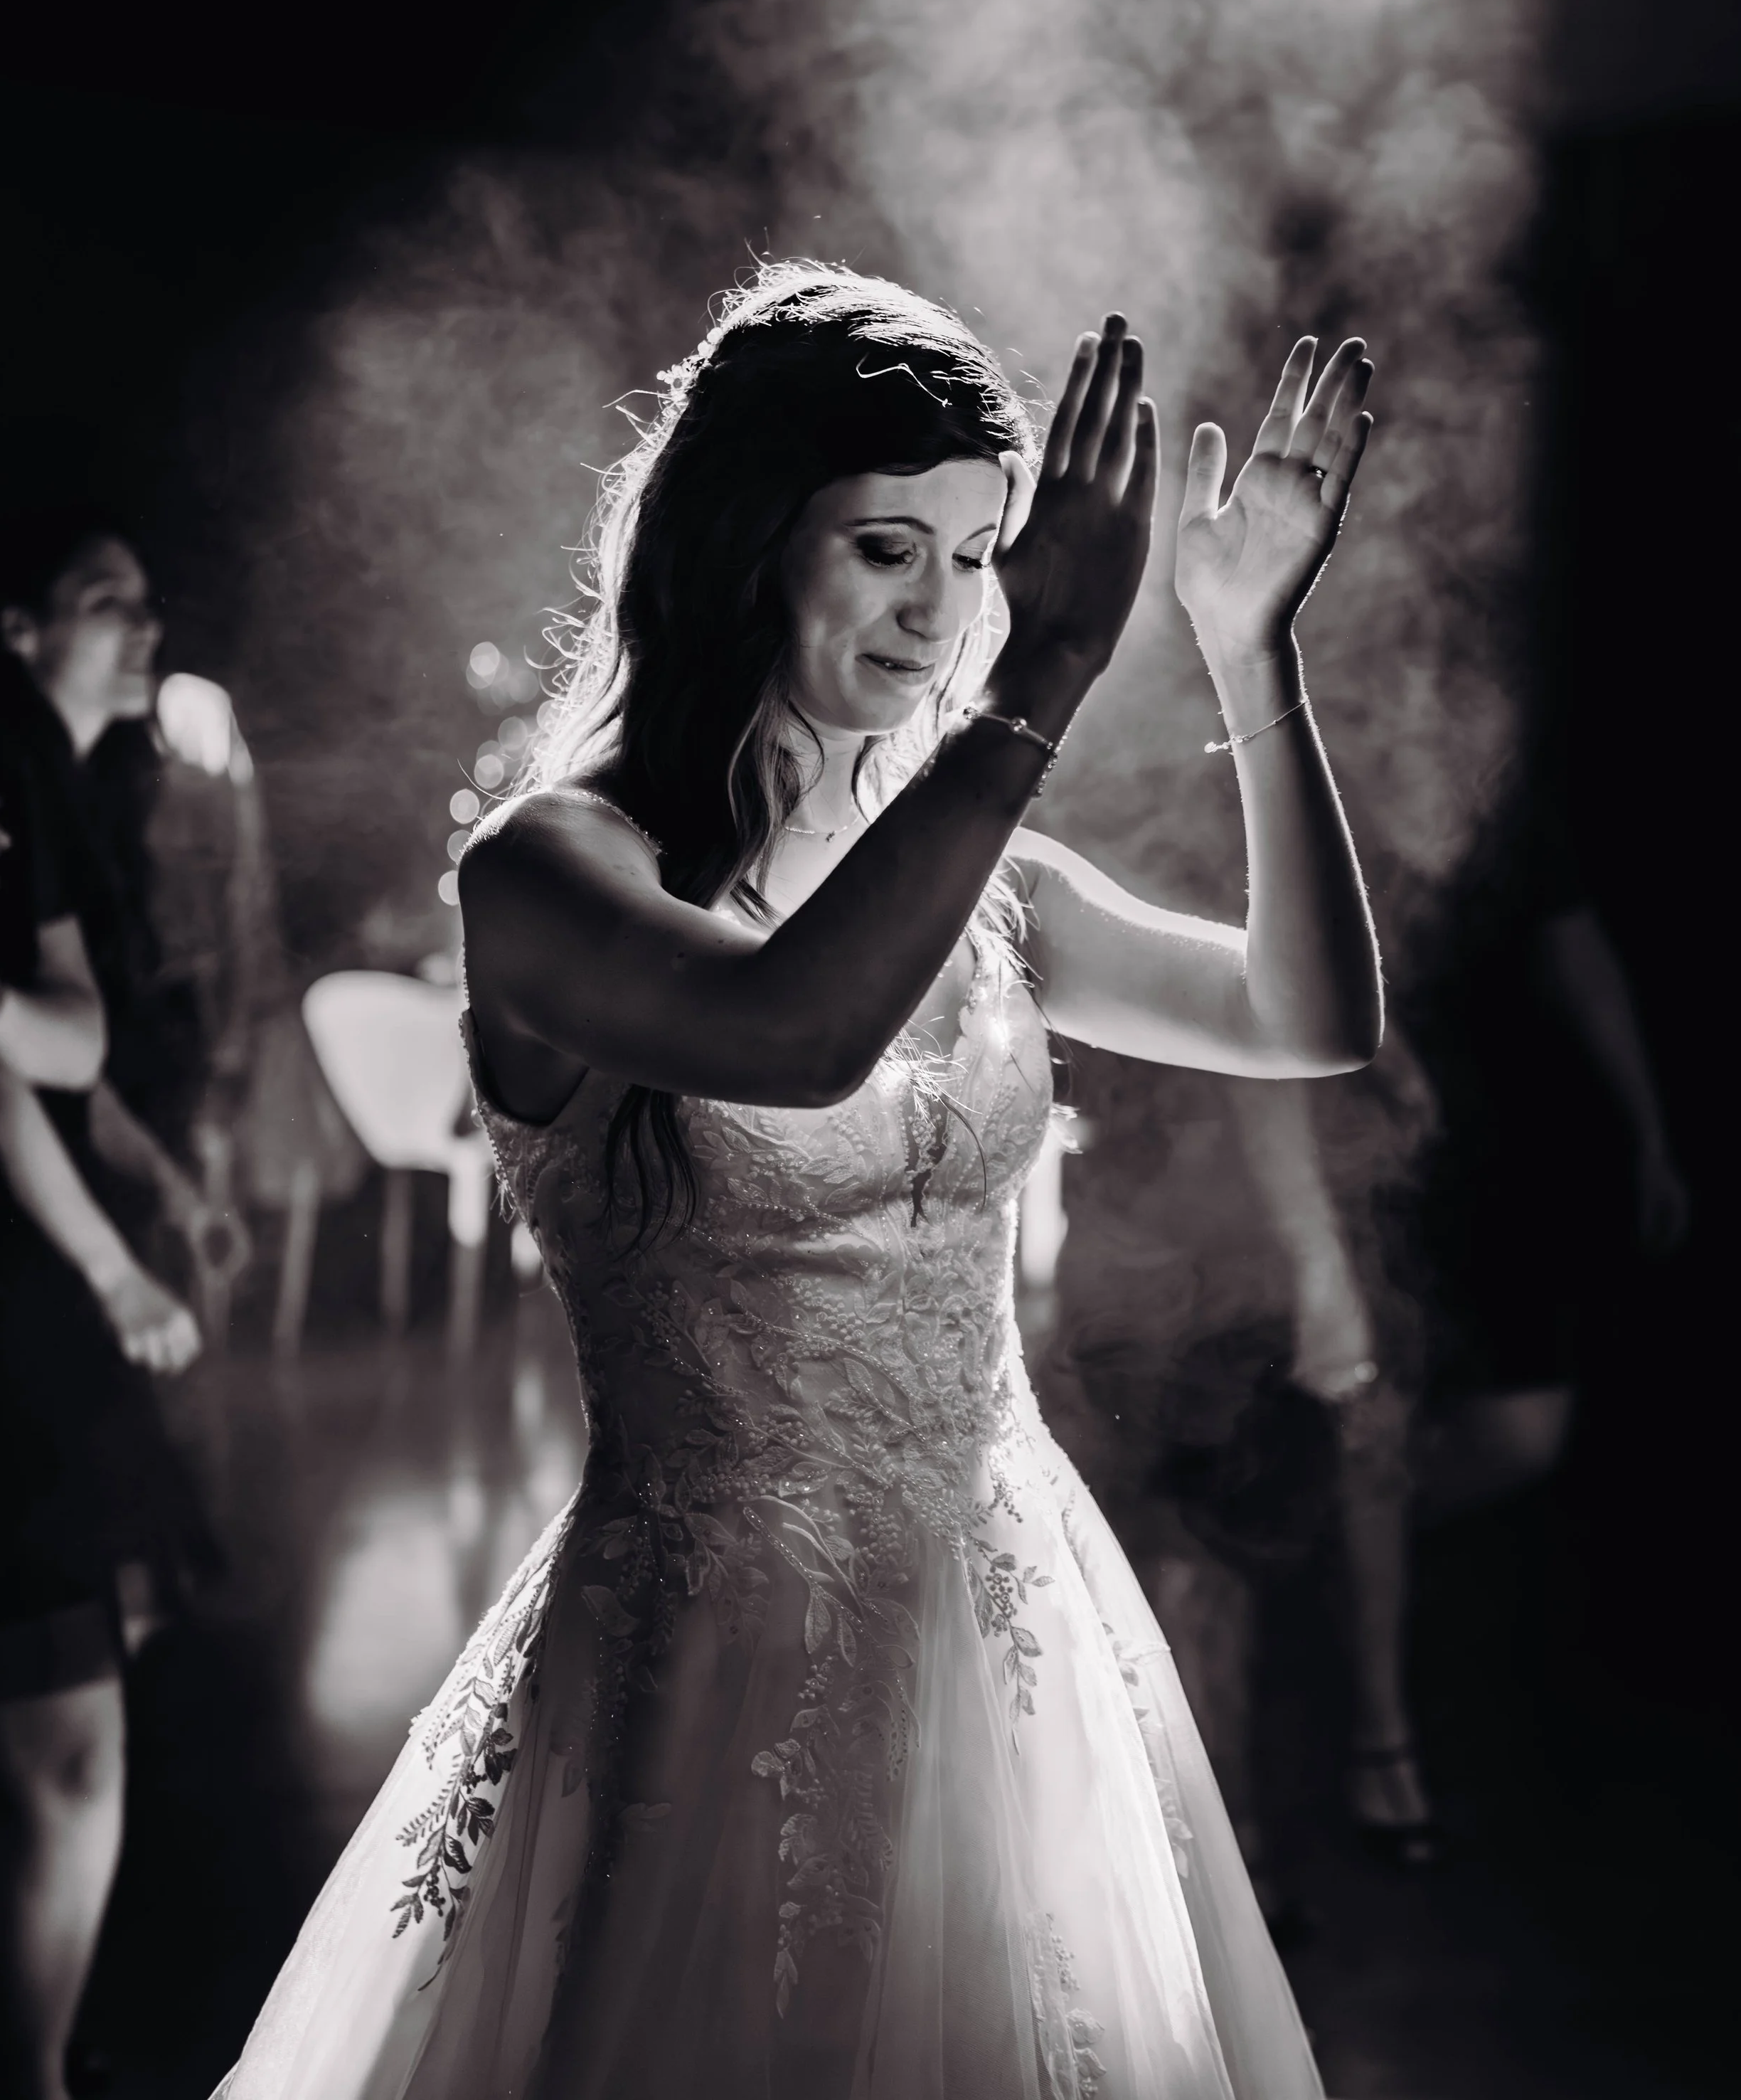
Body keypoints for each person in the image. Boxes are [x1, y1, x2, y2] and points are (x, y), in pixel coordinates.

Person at [217, 263, 1382, 2099]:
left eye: (982, 552)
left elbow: (1307, 1016)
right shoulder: (548, 865)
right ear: (747, 542)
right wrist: (1046, 679)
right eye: (883, 548)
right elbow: (787, 1033)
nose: (946, 610)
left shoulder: (983, 872)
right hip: (708, 1655)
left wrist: (1250, 652)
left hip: (1006, 1632)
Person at [0, 507, 215, 2100]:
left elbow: (64, 1043)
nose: (143, 627)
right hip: (8, 1303)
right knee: (64, 1737)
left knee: (92, 1648)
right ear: (16, 629)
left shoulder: (58, 775)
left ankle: (20, 2027)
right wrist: (120, 1265)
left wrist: (155, 1177)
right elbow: (0, 1082)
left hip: (40, 1290)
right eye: (101, 600)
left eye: (145, 599)